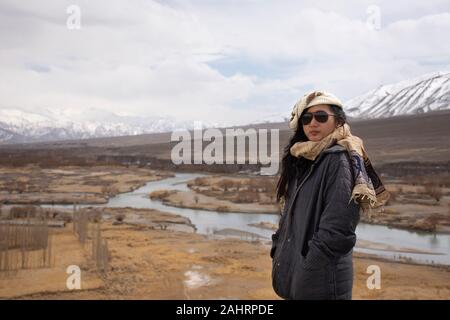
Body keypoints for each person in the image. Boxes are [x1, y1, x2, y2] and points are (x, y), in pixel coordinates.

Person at [271, 90, 390, 300]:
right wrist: (278, 249)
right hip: (301, 280)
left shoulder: (340, 160)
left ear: (338, 121)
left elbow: (338, 231)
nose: (312, 123)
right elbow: (289, 217)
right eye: (306, 118)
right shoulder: (303, 160)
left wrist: (308, 267)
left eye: (321, 116)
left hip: (321, 283)